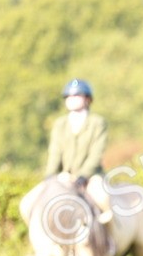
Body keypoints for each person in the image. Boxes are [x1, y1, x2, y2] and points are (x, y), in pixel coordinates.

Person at [41, 78, 112, 222]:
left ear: (87, 99)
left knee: (103, 199)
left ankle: (110, 232)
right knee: (32, 202)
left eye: (76, 95)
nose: (72, 99)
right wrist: (50, 176)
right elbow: (55, 153)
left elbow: (96, 153)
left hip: (91, 177)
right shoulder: (60, 124)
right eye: (69, 96)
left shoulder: (97, 123)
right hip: (65, 176)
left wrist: (83, 176)